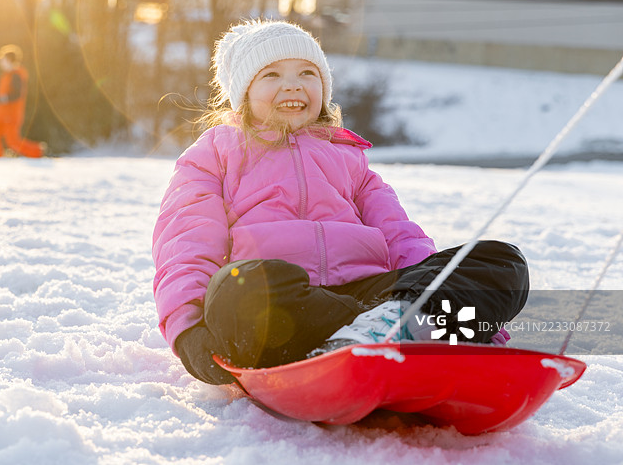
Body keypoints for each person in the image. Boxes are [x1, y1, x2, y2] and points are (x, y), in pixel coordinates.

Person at [152, 19, 529, 385]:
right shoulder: (217, 153)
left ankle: (390, 328)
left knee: (501, 263)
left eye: (306, 73)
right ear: (244, 93)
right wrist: (188, 331)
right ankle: (373, 334)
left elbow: (403, 240)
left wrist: (452, 303)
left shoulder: (349, 158)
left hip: (370, 293)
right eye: (271, 75)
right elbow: (187, 243)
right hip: (288, 312)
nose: (292, 86)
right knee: (238, 288)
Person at [0, 44, 45, 158]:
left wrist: (3, 99)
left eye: (2, 60)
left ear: (9, 60)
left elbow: (17, 94)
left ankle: (38, 152)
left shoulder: (17, 75)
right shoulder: (5, 75)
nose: (1, 63)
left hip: (11, 115)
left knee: (13, 142)